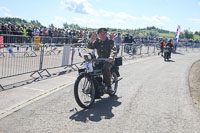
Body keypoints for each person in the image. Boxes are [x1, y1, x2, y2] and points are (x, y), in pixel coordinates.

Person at [87, 28, 116, 93]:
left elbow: (113, 50)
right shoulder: (97, 42)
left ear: (106, 34)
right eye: (100, 34)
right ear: (98, 35)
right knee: (89, 69)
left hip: (109, 61)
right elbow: (90, 47)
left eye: (104, 33)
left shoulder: (110, 41)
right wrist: (91, 40)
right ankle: (92, 85)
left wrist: (111, 56)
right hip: (99, 61)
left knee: (105, 68)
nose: (102, 35)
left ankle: (109, 86)